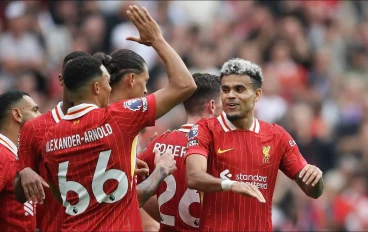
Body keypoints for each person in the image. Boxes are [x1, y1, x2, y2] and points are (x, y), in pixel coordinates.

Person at [42, 5, 196, 231]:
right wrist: (157, 40)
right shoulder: (120, 117)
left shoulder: (51, 134)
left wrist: (128, 167)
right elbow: (185, 84)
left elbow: (60, 196)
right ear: (97, 87)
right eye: (106, 81)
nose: (146, 90)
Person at [185, 58, 324, 231]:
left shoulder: (277, 136)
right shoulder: (206, 129)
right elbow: (193, 176)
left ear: (257, 94)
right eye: (226, 90)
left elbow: (313, 191)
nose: (231, 95)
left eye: (239, 89)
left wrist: (316, 178)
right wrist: (230, 184)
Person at [14, 51, 91, 232]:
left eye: (82, 79)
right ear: (61, 79)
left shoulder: (104, 123)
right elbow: (19, 196)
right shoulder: (35, 128)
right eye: (72, 78)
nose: (76, 86)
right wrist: (24, 173)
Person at [138, 73, 222, 232]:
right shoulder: (222, 149)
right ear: (212, 106)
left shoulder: (158, 144)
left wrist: (170, 218)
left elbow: (134, 195)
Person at [0, 90, 41, 231]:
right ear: (17, 115)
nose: (40, 116)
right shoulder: (1, 155)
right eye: (35, 110)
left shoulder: (17, 157)